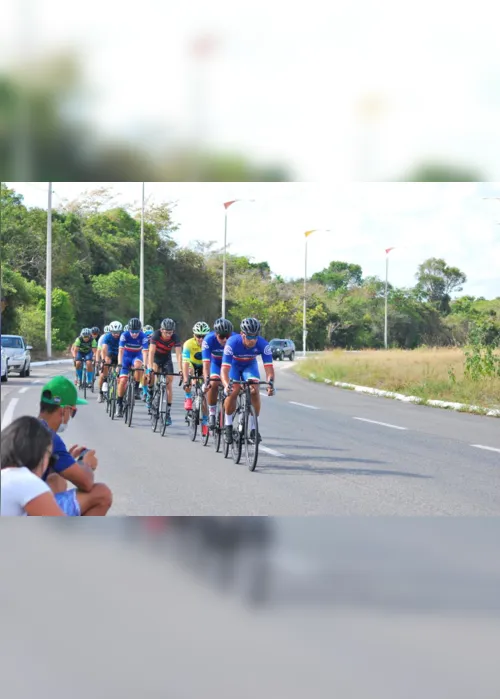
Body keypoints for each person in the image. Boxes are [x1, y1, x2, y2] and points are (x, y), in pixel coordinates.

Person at [38, 376, 113, 516]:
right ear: (64, 410)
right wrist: (85, 464)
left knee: (57, 480)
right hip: (27, 511)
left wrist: (68, 461)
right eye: (73, 411)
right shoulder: (50, 437)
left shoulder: (26, 427)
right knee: (102, 493)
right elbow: (86, 482)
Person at [221, 317, 275, 444]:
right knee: (233, 391)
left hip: (250, 366)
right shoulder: (232, 343)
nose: (253, 340)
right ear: (242, 334)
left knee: (254, 389)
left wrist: (270, 383)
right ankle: (228, 425)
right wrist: (225, 385)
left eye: (255, 337)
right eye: (250, 337)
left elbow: (269, 368)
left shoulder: (263, 344)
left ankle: (253, 429)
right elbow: (224, 370)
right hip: (233, 366)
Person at [1, 416, 65, 516]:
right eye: (50, 457)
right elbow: (61, 529)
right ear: (40, 454)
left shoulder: (6, 476)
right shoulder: (24, 480)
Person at [202, 318, 237, 430]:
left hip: (231, 365)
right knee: (213, 383)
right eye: (222, 337)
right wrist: (206, 379)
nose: (225, 339)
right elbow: (206, 364)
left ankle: (228, 419)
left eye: (228, 336)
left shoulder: (236, 339)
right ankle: (212, 412)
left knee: (234, 387)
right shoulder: (208, 340)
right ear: (216, 334)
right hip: (216, 365)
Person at [147, 318, 182, 424]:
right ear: (161, 330)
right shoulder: (156, 335)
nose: (168, 334)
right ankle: (150, 391)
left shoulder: (175, 337)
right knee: (152, 373)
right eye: (166, 332)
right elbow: (151, 352)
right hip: (156, 358)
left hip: (167, 359)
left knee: (169, 383)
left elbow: (179, 354)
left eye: (170, 332)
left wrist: (180, 369)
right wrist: (150, 367)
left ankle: (167, 413)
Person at [116, 317, 149, 418]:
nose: (134, 334)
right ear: (128, 330)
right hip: (126, 357)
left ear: (140, 330)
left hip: (137, 356)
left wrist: (145, 364)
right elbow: (121, 351)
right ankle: (119, 404)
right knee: (123, 381)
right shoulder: (124, 335)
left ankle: (136, 388)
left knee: (139, 366)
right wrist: (119, 363)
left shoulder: (143, 336)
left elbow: (145, 352)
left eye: (136, 331)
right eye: (132, 331)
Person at [182, 321, 210, 433]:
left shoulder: (210, 344)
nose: (201, 339)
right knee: (189, 372)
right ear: (194, 335)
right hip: (192, 365)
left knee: (205, 397)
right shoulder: (188, 344)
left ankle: (205, 422)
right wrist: (185, 380)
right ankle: (188, 397)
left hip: (204, 366)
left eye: (204, 336)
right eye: (198, 336)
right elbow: (185, 362)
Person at [98, 321, 122, 403]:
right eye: (114, 332)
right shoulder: (107, 336)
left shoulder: (123, 336)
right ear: (110, 331)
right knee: (106, 364)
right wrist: (103, 360)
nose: (116, 334)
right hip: (110, 354)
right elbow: (103, 349)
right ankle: (101, 390)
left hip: (120, 355)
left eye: (118, 332)